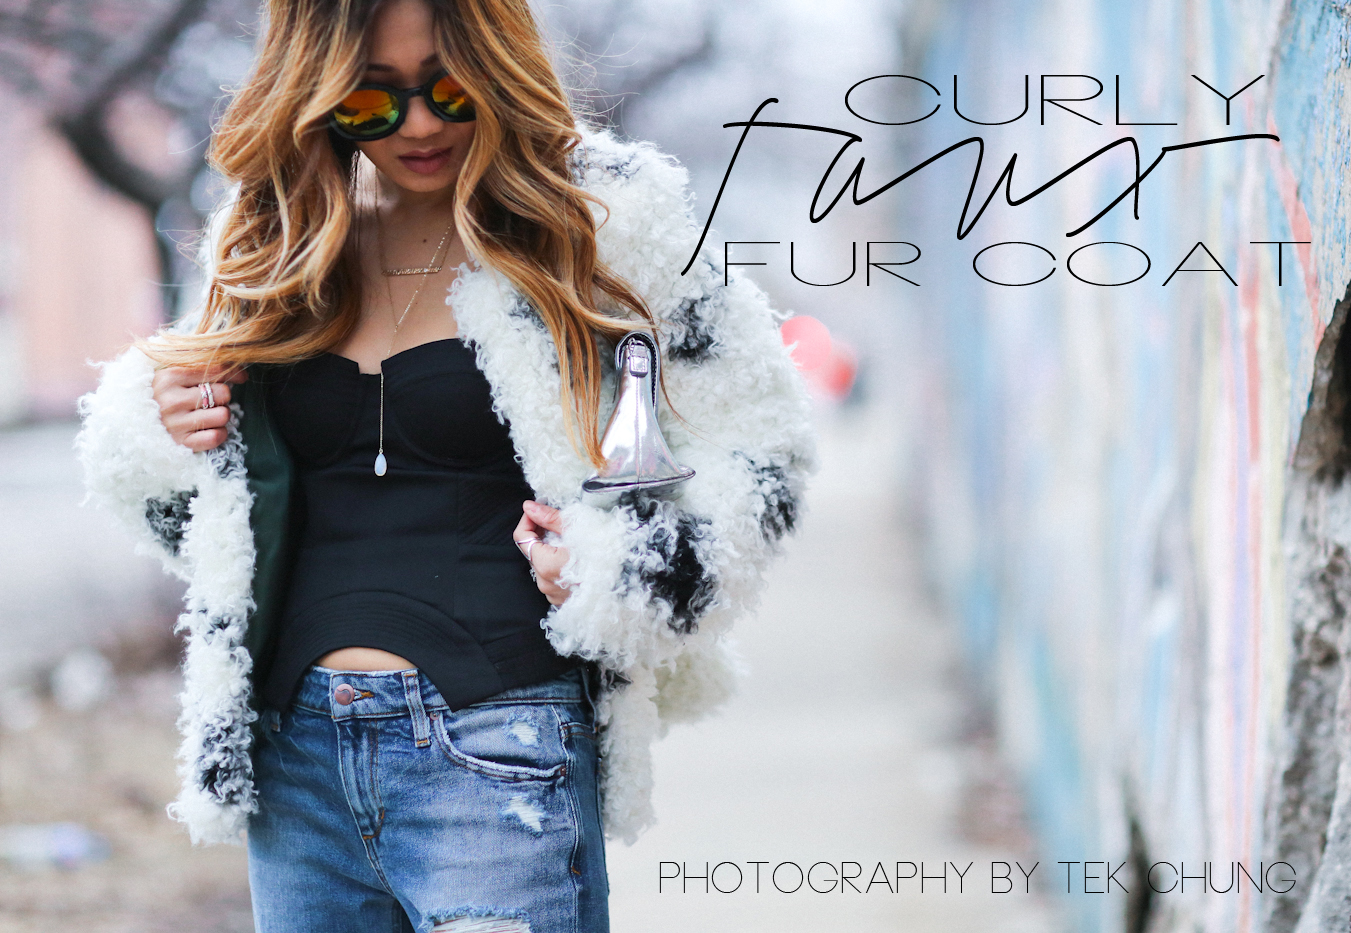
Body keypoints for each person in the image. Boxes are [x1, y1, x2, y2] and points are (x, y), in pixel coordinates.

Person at [75, 0, 814, 929]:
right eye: (370, 103)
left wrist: (618, 563)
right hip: (295, 761)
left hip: (502, 744)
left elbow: (764, 444)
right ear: (319, 96)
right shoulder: (278, 233)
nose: (418, 125)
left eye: (449, 90)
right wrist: (169, 423)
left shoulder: (604, 218)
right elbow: (205, 513)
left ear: (497, 69)